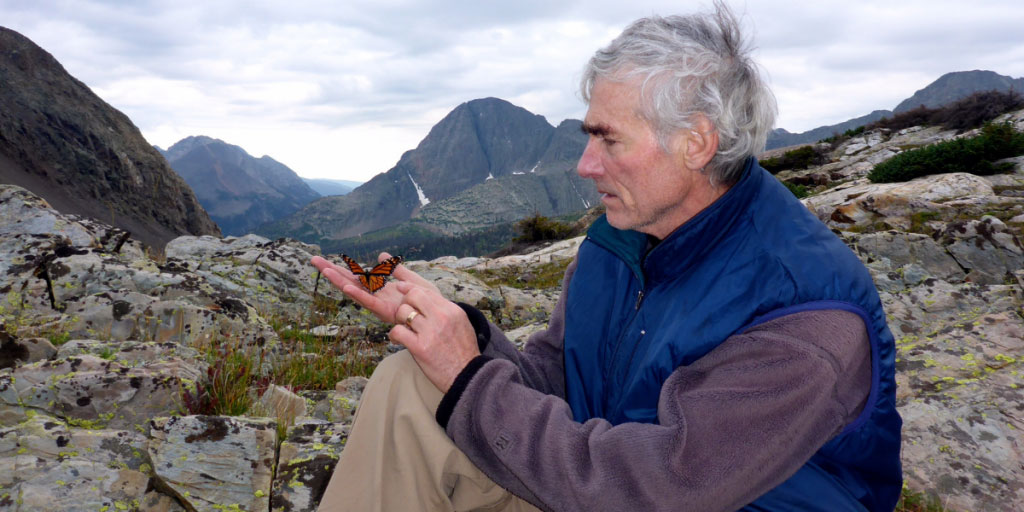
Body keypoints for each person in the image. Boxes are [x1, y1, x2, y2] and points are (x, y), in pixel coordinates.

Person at [312, 3, 902, 511]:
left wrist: (470, 380)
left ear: (696, 142)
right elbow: (553, 382)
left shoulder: (805, 313)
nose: (585, 165)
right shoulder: (617, 246)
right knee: (412, 382)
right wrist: (454, 333)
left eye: (608, 139)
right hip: (599, 485)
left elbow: (663, 490)